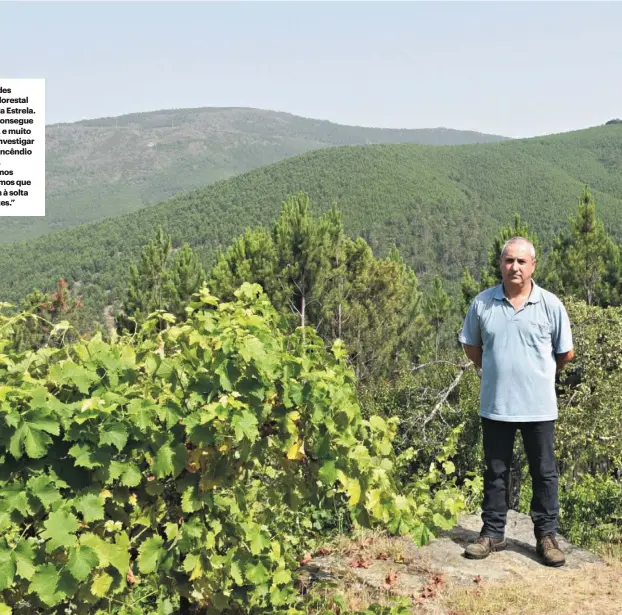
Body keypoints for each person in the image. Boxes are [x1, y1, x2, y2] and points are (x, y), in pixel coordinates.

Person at [458, 236, 574, 567]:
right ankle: (492, 533)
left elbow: (565, 353)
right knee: (495, 470)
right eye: (509, 260)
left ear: (533, 266)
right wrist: (494, 369)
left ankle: (547, 536)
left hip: (539, 407)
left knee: (544, 471)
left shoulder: (551, 305)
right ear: (501, 265)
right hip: (496, 405)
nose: (515, 267)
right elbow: (471, 346)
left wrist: (537, 374)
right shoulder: (482, 304)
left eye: (522, 261)